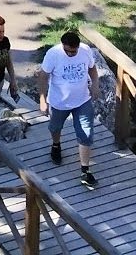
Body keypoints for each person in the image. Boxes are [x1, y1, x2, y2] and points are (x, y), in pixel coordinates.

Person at [38, 29, 100, 188]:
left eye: (73, 51)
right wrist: (42, 99)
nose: (71, 54)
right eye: (68, 51)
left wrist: (95, 85)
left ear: (78, 47)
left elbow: (92, 69)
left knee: (86, 133)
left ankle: (85, 171)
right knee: (55, 127)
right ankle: (56, 145)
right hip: (59, 102)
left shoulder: (85, 51)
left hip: (82, 100)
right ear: (62, 45)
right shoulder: (53, 54)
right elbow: (43, 76)